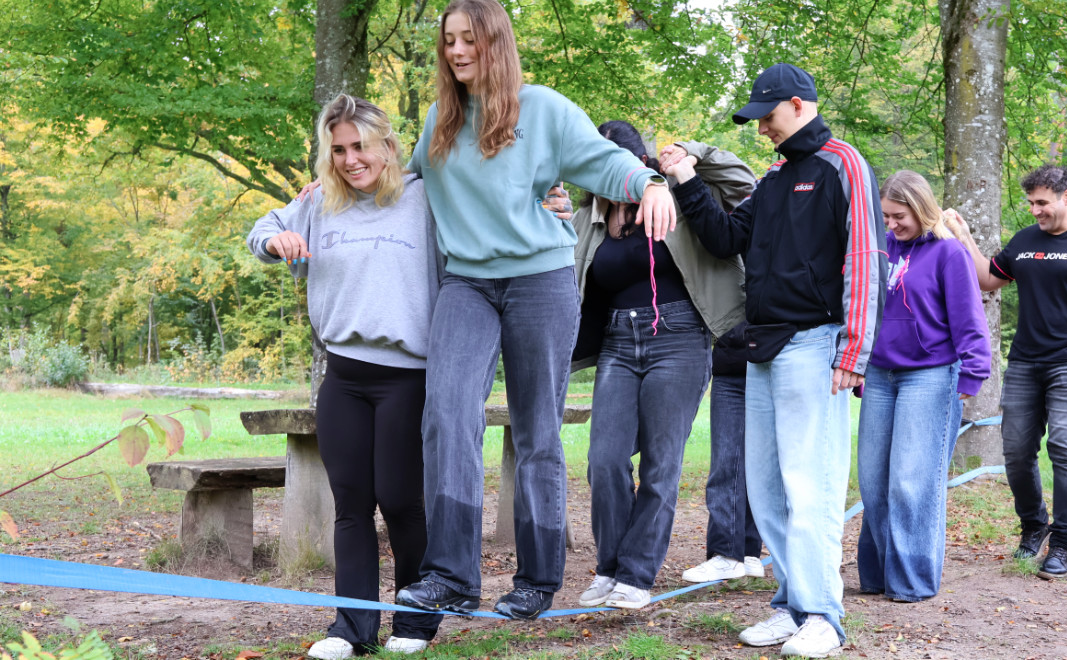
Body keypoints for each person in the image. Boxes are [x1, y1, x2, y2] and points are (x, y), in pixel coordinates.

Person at [393, 0, 677, 620]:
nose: (458, 51)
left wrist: (650, 184)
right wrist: (324, 195)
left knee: (536, 431)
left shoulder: (542, 108)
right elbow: (399, 182)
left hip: (538, 281)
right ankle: (451, 577)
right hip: (466, 283)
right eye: (449, 42)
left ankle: (537, 580)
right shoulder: (441, 118)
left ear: (496, 41)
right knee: (445, 414)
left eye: (470, 39)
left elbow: (603, 161)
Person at [663, 63, 886, 658]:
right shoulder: (773, 178)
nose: (760, 127)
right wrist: (686, 178)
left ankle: (825, 617)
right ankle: (791, 604)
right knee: (767, 489)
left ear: (797, 104)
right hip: (764, 345)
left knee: (809, 485)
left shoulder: (844, 163)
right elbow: (723, 238)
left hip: (817, 344)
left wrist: (855, 349)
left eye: (766, 115)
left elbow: (867, 256)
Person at [246, 95, 443, 659]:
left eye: (361, 146)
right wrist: (274, 240)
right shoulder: (318, 203)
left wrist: (549, 208)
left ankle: (414, 624)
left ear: (386, 146)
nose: (351, 159)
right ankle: (352, 629)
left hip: (408, 376)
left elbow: (487, 215)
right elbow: (263, 230)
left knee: (402, 501)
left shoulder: (424, 197)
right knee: (351, 503)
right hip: (344, 378)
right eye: (338, 149)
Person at [569, 121, 755, 609]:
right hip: (617, 341)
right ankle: (610, 567)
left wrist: (688, 154)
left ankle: (636, 574)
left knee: (660, 464)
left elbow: (742, 181)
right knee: (604, 461)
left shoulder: (674, 188)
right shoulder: (589, 214)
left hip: (679, 338)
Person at [948, 164, 1067, 580]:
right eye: (1031, 202)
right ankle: (1034, 525)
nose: (1035, 210)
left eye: (1042, 202)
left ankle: (1065, 541)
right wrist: (964, 237)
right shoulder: (1025, 241)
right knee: (1015, 451)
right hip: (1026, 362)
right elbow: (986, 280)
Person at [855, 170, 990, 602]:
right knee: (873, 481)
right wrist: (857, 364)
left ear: (920, 207)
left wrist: (973, 371)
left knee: (910, 482)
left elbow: (970, 317)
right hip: (878, 373)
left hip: (929, 373)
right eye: (886, 217)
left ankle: (911, 580)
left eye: (899, 216)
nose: (892, 224)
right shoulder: (879, 249)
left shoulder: (949, 253)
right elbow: (865, 308)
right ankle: (877, 575)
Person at [681, 321, 767, 584]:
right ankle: (726, 553)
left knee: (763, 466)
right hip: (730, 364)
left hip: (774, 361)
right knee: (726, 462)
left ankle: (749, 551)